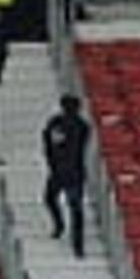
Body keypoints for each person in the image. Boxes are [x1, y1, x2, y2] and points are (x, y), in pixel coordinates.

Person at [40, 96, 93, 258]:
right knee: (55, 201)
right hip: (66, 171)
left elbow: (50, 142)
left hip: (69, 171)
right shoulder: (61, 124)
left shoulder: (79, 126)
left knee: (72, 207)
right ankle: (64, 230)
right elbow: (48, 140)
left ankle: (75, 242)